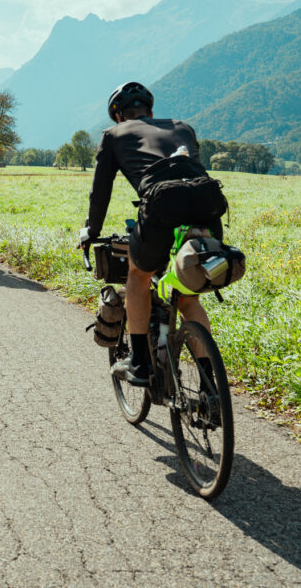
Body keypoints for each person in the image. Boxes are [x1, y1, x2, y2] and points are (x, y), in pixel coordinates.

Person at [78, 82, 224, 386]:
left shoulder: (114, 135)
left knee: (138, 275)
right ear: (151, 111)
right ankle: (211, 387)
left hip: (161, 210)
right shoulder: (183, 127)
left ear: (118, 116)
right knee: (187, 298)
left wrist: (91, 231)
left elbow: (100, 192)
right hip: (207, 209)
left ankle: (141, 363)